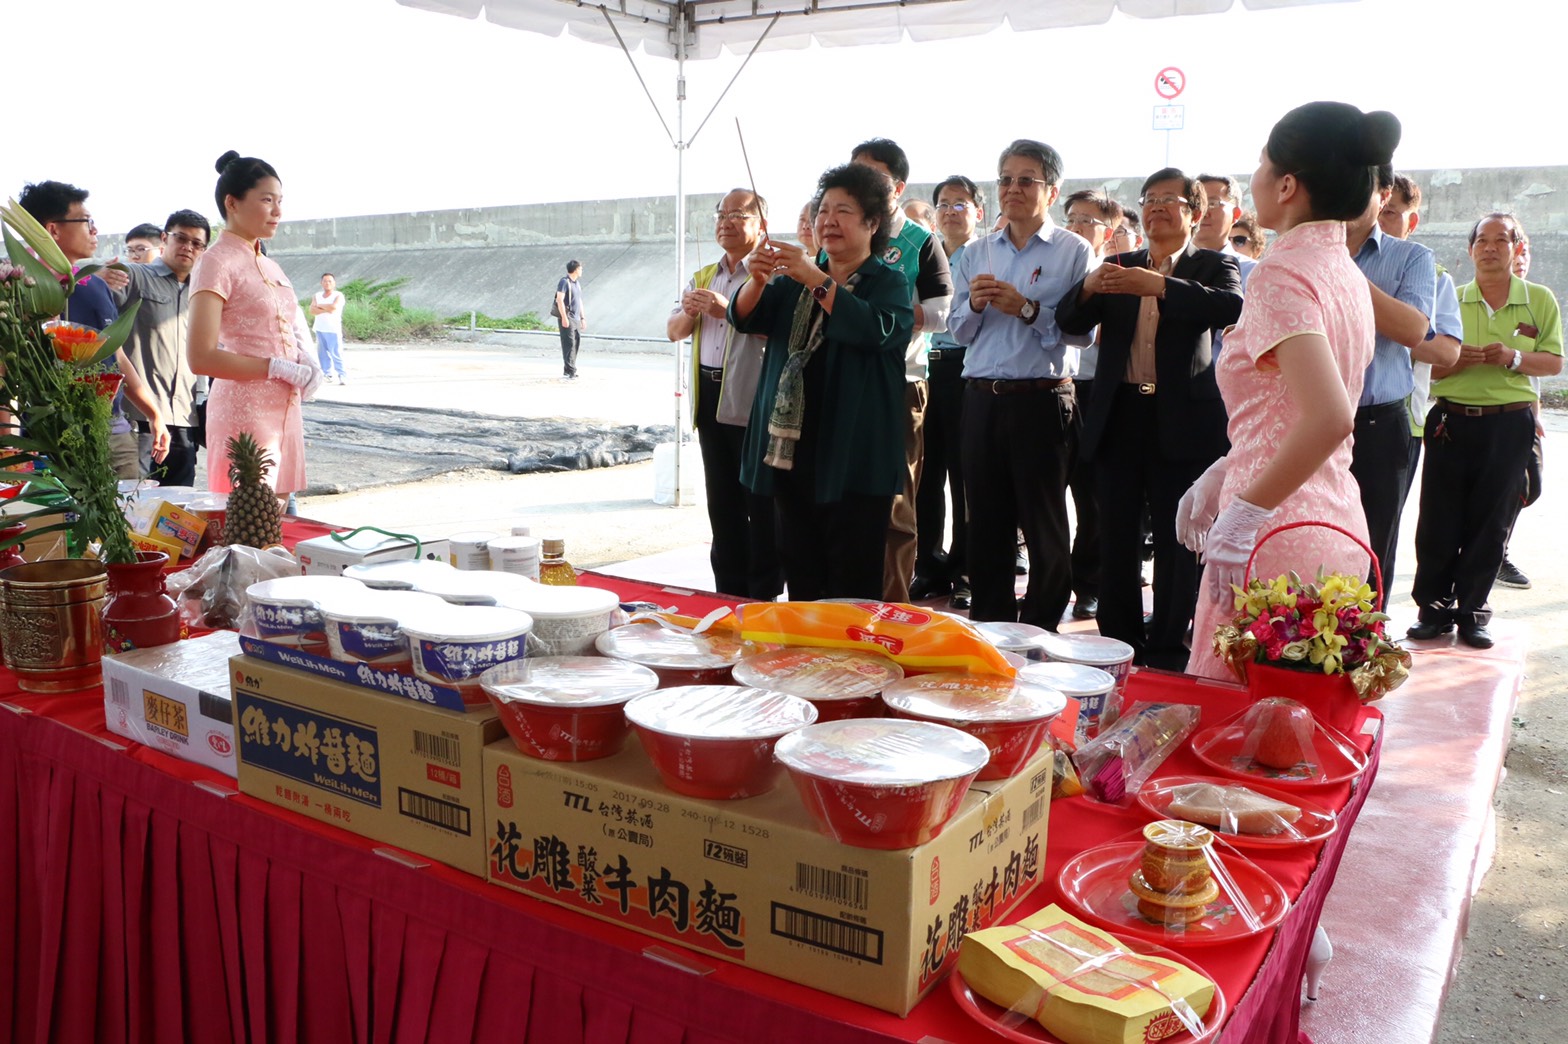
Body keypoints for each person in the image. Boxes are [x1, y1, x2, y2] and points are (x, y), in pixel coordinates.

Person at [1177, 102, 1399, 679]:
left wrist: (1243, 513)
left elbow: (1329, 416)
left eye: (1260, 163)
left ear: (1287, 185)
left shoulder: (1282, 272)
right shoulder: (1343, 269)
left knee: (1242, 720)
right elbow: (1287, 408)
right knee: (1299, 724)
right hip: (1333, 521)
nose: (1253, 176)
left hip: (1276, 534)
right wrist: (1226, 469)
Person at [1058, 170, 1242, 669]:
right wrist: (1087, 287)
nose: (1157, 206)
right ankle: (1119, 641)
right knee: (1115, 534)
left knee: (1177, 537)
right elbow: (1069, 322)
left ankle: (1166, 645)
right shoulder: (1118, 265)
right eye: (1150, 198)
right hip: (1119, 414)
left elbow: (1232, 307)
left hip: (1182, 420)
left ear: (1194, 213)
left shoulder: (1213, 264)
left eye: (1169, 199)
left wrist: (1160, 286)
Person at [728, 163, 912, 601]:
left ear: (872, 223)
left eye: (843, 211)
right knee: (802, 576)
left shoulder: (888, 282)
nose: (828, 220)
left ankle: (851, 647)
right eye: (823, 210)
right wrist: (757, 280)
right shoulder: (792, 281)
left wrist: (815, 277)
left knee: (852, 583)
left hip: (853, 455)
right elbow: (744, 317)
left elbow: (875, 330)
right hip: (792, 451)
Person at [948, 139, 1094, 628]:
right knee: (986, 527)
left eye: (1026, 180)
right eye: (1006, 179)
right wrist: (974, 305)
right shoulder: (976, 251)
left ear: (1051, 191)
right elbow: (958, 331)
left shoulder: (1074, 251)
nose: (1013, 188)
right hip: (981, 399)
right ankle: (992, 630)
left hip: (1042, 401)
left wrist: (1027, 309)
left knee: (1044, 526)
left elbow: (1083, 333)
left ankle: (1038, 631)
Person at [1407, 213, 1562, 648]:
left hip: (1509, 423)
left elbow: (1553, 362)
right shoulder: (1450, 298)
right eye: (1482, 241)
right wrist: (1454, 362)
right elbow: (1424, 366)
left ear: (1517, 248)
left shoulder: (1539, 299)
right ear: (1470, 249)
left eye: (1501, 240)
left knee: (1491, 523)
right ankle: (1432, 611)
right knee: (1438, 520)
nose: (1490, 248)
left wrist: (1513, 357)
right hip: (1451, 421)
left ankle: (1473, 612)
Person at [849, 138, 952, 603]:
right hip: (844, 381)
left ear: (898, 186)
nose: (860, 184)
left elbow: (945, 314)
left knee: (895, 500)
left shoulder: (921, 241)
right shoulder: (843, 233)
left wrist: (885, 316)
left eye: (872, 176)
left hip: (900, 383)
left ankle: (892, 604)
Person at [667, 189, 781, 600]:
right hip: (709, 396)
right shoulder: (703, 275)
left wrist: (727, 308)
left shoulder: (774, 273)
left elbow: (781, 332)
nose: (726, 222)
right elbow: (673, 332)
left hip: (753, 400)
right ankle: (728, 592)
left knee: (761, 503)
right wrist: (690, 310)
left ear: (760, 225)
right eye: (721, 214)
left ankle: (763, 594)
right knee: (722, 502)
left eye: (737, 215)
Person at [187, 151, 318, 500]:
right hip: (244, 410)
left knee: (281, 515)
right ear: (232, 203)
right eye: (266, 200)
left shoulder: (270, 266)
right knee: (249, 517)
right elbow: (200, 357)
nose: (277, 211)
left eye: (280, 201)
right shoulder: (215, 262)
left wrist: (307, 360)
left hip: (286, 407)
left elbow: (288, 325)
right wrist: (275, 367)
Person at [17, 180, 169, 479]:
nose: (95, 230)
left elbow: (116, 356)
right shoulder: (20, 291)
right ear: (53, 229)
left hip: (114, 432)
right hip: (53, 439)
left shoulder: (95, 285)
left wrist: (153, 413)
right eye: (86, 221)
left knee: (127, 508)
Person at [1344, 165, 1445, 600]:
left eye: (1359, 187)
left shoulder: (1412, 258)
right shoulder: (1299, 252)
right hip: (1308, 422)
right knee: (1309, 536)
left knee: (1373, 543)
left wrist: (1342, 272)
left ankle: (1366, 636)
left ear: (1383, 195)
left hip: (1377, 425)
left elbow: (1413, 330)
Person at [913, 175, 984, 608]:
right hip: (926, 370)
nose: (951, 211)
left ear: (978, 211)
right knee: (926, 474)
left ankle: (965, 570)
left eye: (961, 204)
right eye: (943, 204)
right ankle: (928, 565)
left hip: (967, 369)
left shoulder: (986, 254)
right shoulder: (927, 253)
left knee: (965, 476)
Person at [1058, 189, 1124, 621]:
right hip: (1053, 388)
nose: (1077, 227)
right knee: (1047, 496)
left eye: (1087, 221)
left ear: (1109, 232)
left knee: (1092, 497)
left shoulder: (1117, 275)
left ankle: (1088, 584)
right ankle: (1051, 581)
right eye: (1072, 218)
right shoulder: (1053, 267)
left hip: (1097, 391)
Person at [114, 210, 211, 486]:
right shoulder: (135, 276)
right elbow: (97, 313)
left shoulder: (203, 294)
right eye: (181, 238)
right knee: (134, 501)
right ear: (165, 239)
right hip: (139, 419)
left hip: (185, 420)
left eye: (196, 243)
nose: (188, 247)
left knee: (178, 506)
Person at [311, 273, 347, 383]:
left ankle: (342, 374)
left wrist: (319, 306)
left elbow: (333, 308)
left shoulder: (338, 295)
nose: (327, 283)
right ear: (321, 283)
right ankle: (327, 374)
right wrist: (325, 308)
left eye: (330, 281)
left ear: (334, 283)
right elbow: (312, 310)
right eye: (325, 281)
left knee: (336, 353)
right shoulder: (317, 295)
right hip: (320, 328)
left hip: (333, 329)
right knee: (322, 354)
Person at [555, 260, 586, 379]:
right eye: (581, 269)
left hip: (576, 318)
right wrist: (564, 317)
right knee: (569, 344)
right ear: (575, 269)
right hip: (568, 317)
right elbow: (559, 300)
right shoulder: (564, 282)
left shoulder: (577, 283)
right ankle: (571, 370)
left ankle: (568, 369)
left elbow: (579, 301)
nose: (582, 271)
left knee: (575, 343)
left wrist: (582, 318)